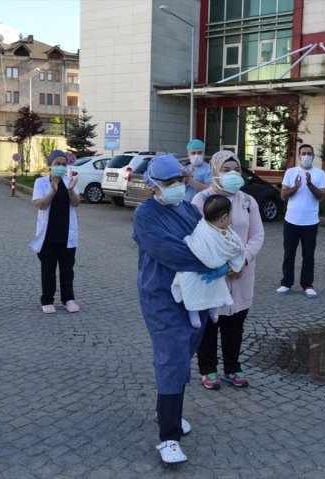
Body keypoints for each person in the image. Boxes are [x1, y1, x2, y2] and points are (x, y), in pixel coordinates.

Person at [132, 154, 228, 464]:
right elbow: (172, 252)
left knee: (183, 353)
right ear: (152, 186)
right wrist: (212, 261)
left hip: (194, 297)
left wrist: (220, 253)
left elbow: (209, 236)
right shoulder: (146, 215)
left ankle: (167, 414)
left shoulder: (187, 208)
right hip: (161, 296)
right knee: (172, 358)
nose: (175, 187)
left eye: (178, 181)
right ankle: (169, 437)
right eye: (168, 183)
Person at [193, 150, 265, 390]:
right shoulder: (201, 200)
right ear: (215, 171)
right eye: (226, 170)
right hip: (213, 274)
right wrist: (221, 265)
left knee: (235, 324)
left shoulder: (247, 201)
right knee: (210, 325)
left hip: (242, 274)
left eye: (236, 169)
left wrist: (242, 261)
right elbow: (197, 237)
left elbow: (257, 235)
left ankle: (233, 368)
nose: (232, 174)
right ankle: (208, 369)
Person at [172, 194, 246, 328]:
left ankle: (213, 308)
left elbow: (234, 247)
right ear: (224, 217)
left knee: (215, 284)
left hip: (216, 269)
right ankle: (193, 310)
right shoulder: (203, 229)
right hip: (196, 267)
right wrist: (212, 261)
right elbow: (198, 245)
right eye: (232, 213)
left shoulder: (226, 229)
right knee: (190, 280)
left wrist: (227, 264)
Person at [29, 150, 80, 314]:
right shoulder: (40, 182)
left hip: (67, 235)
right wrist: (52, 190)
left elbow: (76, 203)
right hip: (48, 235)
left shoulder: (70, 181)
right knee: (48, 269)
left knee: (67, 269)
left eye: (64, 164)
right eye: (57, 164)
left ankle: (68, 299)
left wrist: (71, 190)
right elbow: (40, 205)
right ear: (50, 165)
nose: (61, 167)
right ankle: (47, 300)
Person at [277, 144, 325, 298]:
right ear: (299, 156)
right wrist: (295, 187)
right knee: (289, 253)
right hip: (291, 220)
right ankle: (286, 283)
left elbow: (321, 196)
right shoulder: (291, 172)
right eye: (303, 153)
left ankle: (307, 284)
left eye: (309, 153)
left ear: (313, 156)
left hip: (310, 221)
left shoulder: (320, 174)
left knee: (308, 254)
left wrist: (310, 184)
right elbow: (283, 196)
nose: (306, 156)